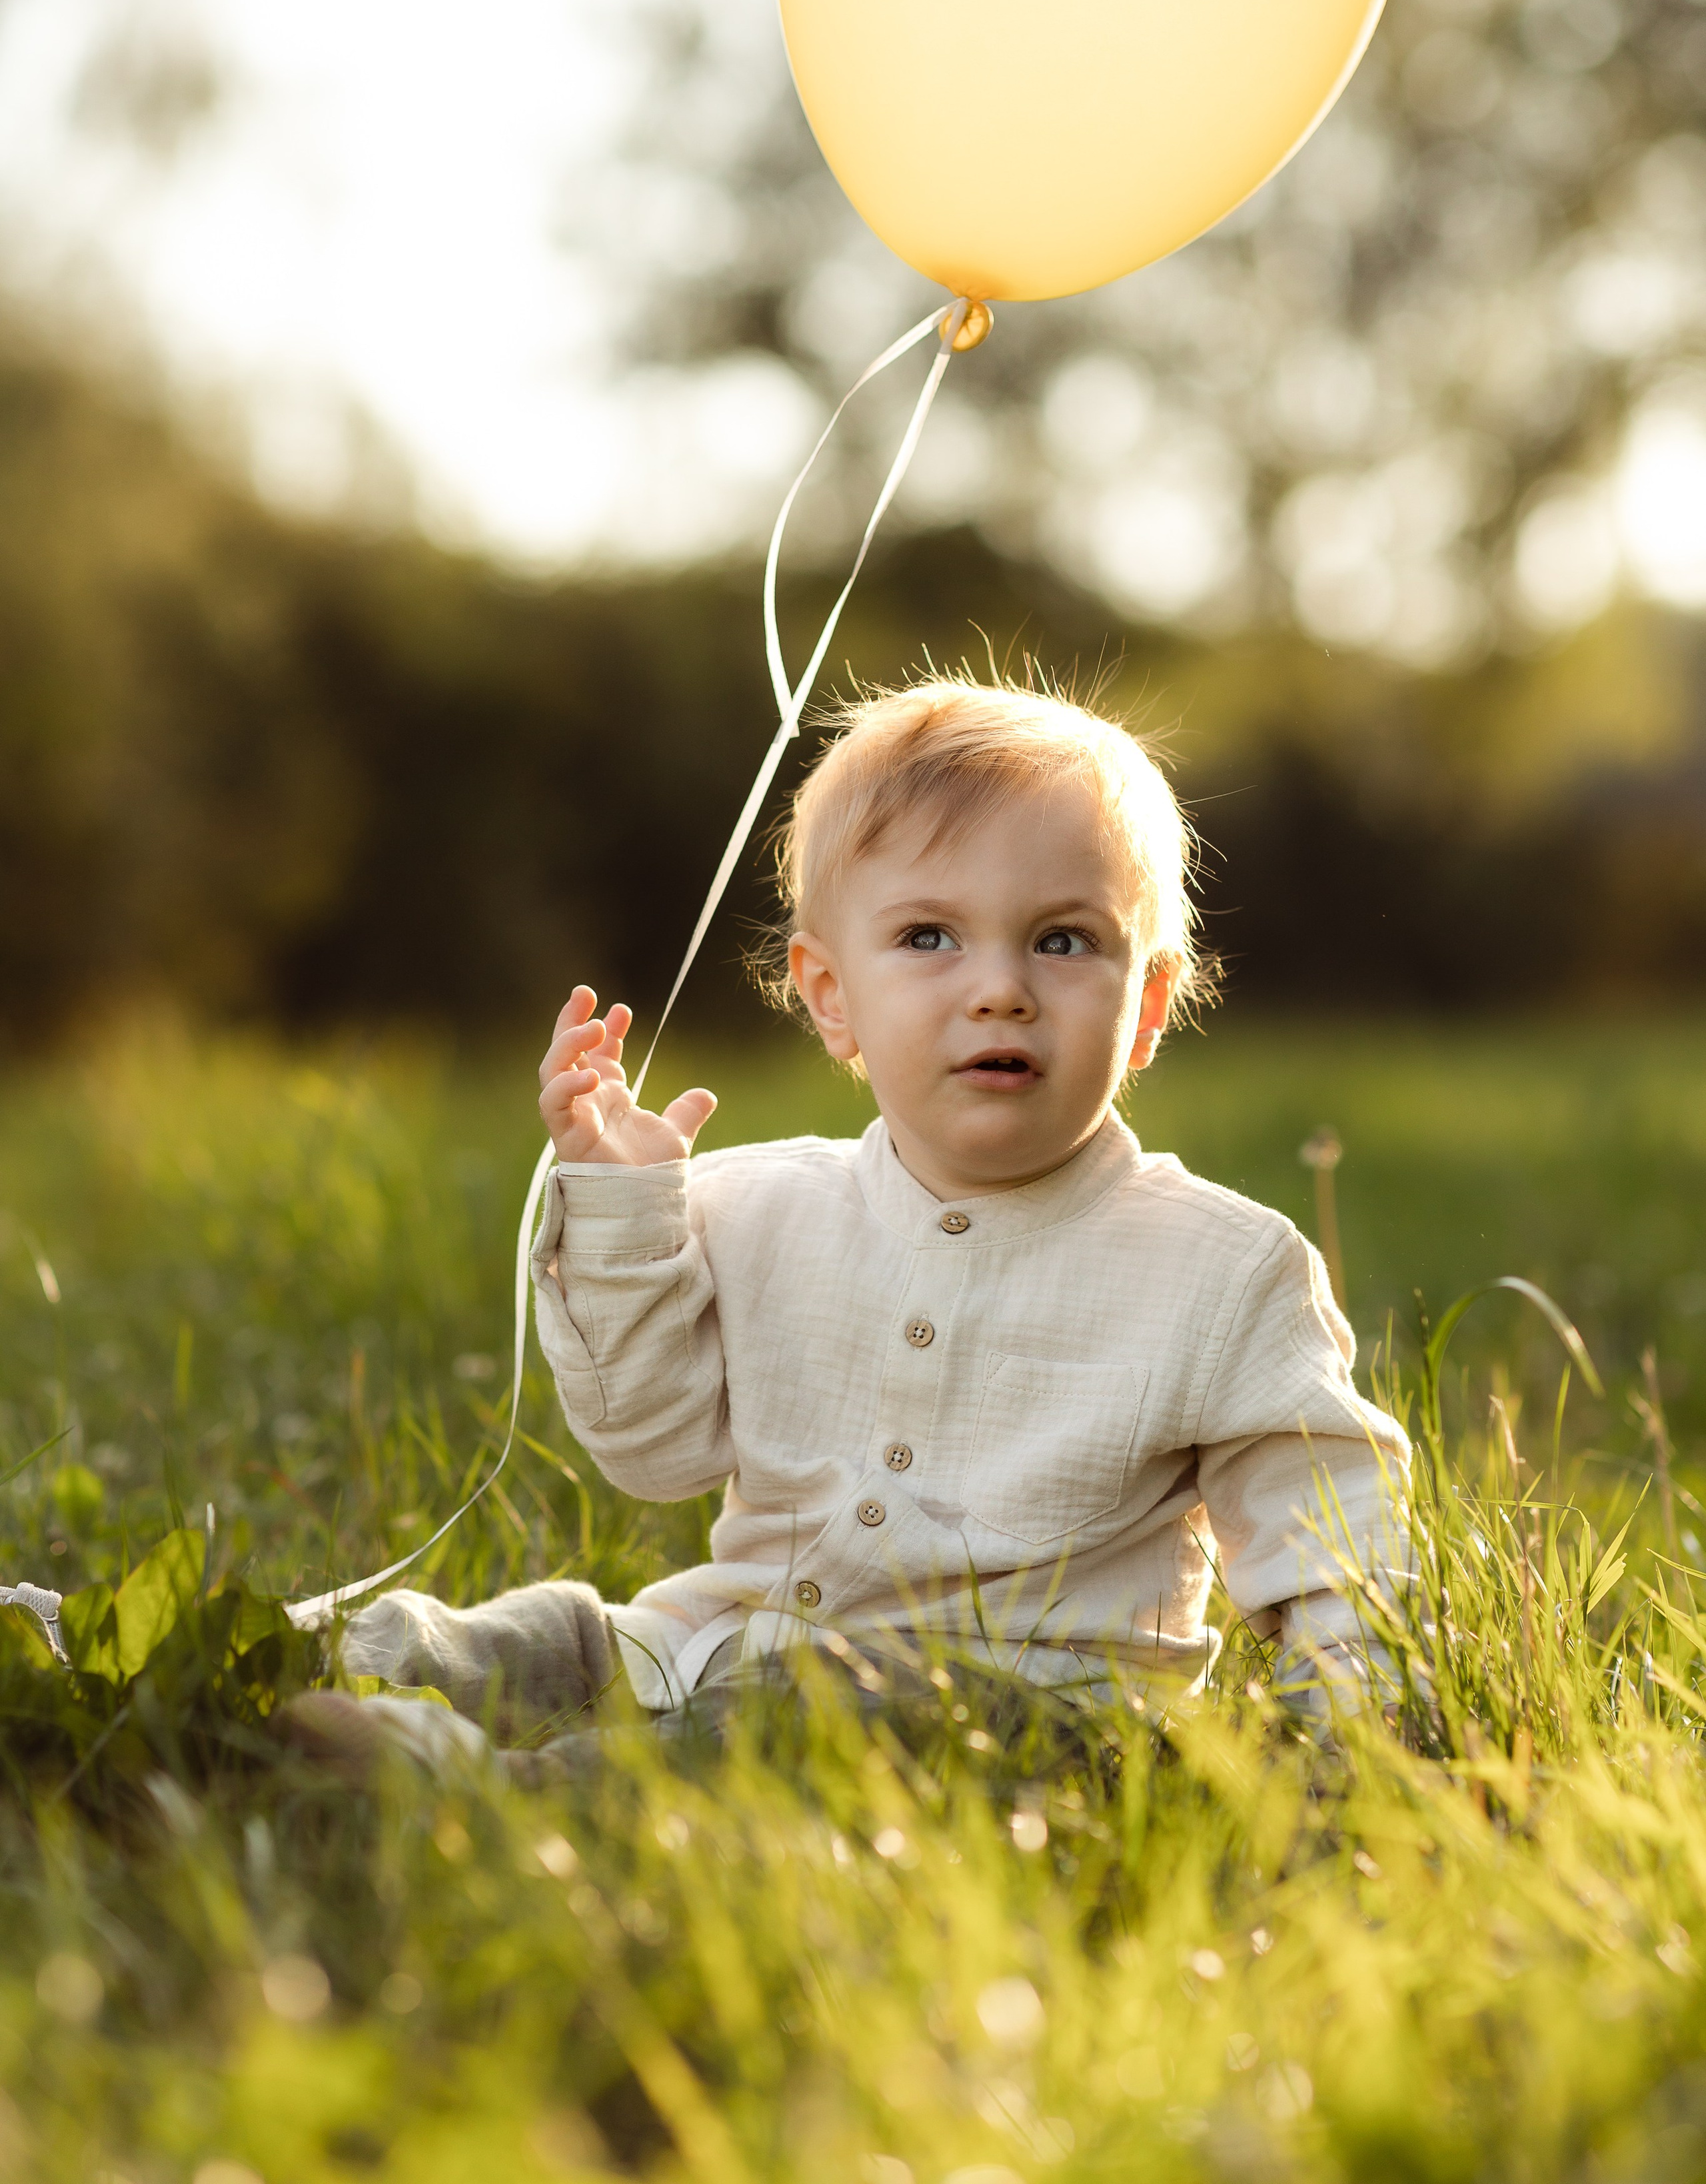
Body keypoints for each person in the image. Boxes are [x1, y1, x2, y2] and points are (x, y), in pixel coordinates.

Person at [327, 676, 1409, 1757]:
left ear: (1149, 1008)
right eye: (930, 936)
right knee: (554, 1636)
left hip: (1008, 1717)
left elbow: (1332, 1538)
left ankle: (471, 1786)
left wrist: (1347, 1736)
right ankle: (275, 1669)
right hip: (720, 1645)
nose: (1000, 990)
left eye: (1065, 941)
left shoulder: (1224, 1266)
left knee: (786, 1722)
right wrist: (623, 1214)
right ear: (831, 994)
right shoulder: (755, 1206)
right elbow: (652, 1453)